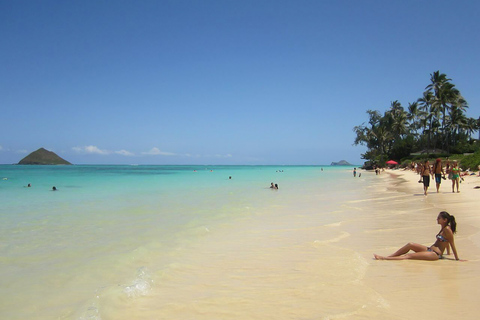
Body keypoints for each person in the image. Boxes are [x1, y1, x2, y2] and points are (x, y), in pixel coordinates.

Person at [373, 211, 460, 261]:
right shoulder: (443, 227)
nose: (437, 219)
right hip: (430, 249)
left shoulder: (447, 229)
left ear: (444, 220)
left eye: (439, 218)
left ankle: (384, 258)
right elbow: (446, 242)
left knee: (409, 256)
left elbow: (451, 243)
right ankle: (391, 256)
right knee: (410, 244)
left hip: (435, 254)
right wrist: (448, 253)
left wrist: (457, 259)